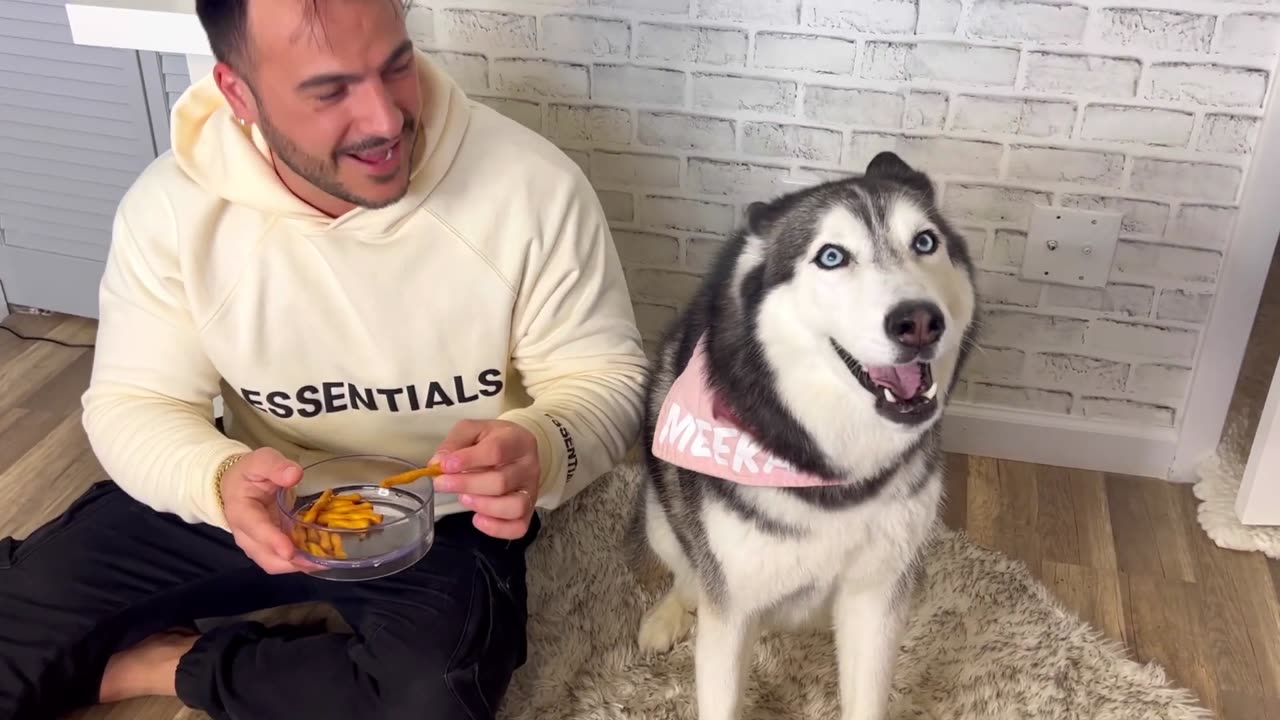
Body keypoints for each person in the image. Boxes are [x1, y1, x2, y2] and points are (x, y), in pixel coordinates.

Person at [0, 0, 648, 717]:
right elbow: (133, 403)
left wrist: (544, 444)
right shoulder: (172, 211)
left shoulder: (531, 187)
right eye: (329, 90)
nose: (385, 120)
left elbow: (603, 377)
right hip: (249, 492)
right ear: (237, 91)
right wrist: (214, 480)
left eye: (396, 65)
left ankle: (162, 666)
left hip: (439, 516)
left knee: (432, 700)